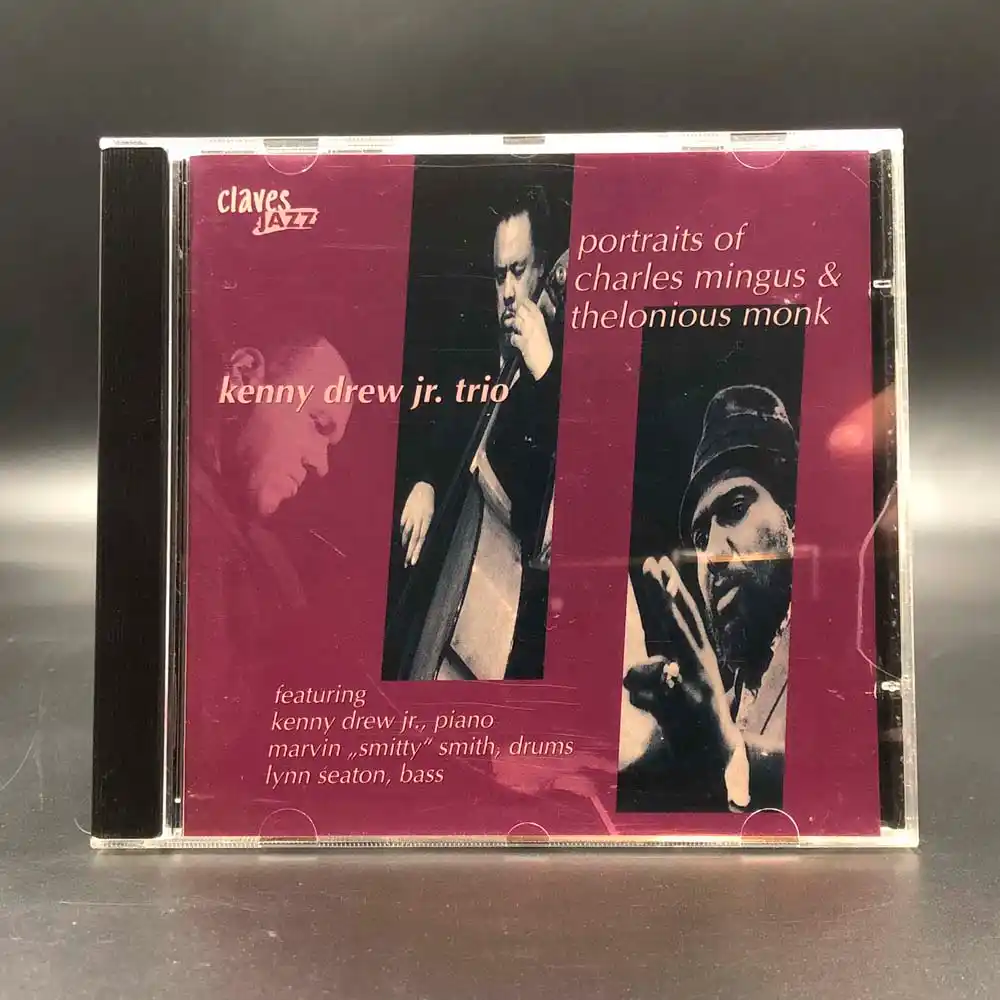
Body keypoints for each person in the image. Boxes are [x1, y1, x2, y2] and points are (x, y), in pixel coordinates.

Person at [396, 183, 564, 680]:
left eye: (519, 270)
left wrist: (546, 371)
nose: (508, 291)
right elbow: (446, 428)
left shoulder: (555, 368)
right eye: (498, 275)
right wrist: (426, 480)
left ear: (543, 267)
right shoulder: (483, 357)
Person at [619, 384, 796, 812]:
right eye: (700, 539)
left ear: (795, 519)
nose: (712, 555)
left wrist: (729, 753)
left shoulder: (852, 652)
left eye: (735, 509)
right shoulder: (718, 713)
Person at [187, 331, 355, 659]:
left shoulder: (268, 560)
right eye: (318, 423)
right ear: (245, 375)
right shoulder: (186, 519)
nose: (321, 466)